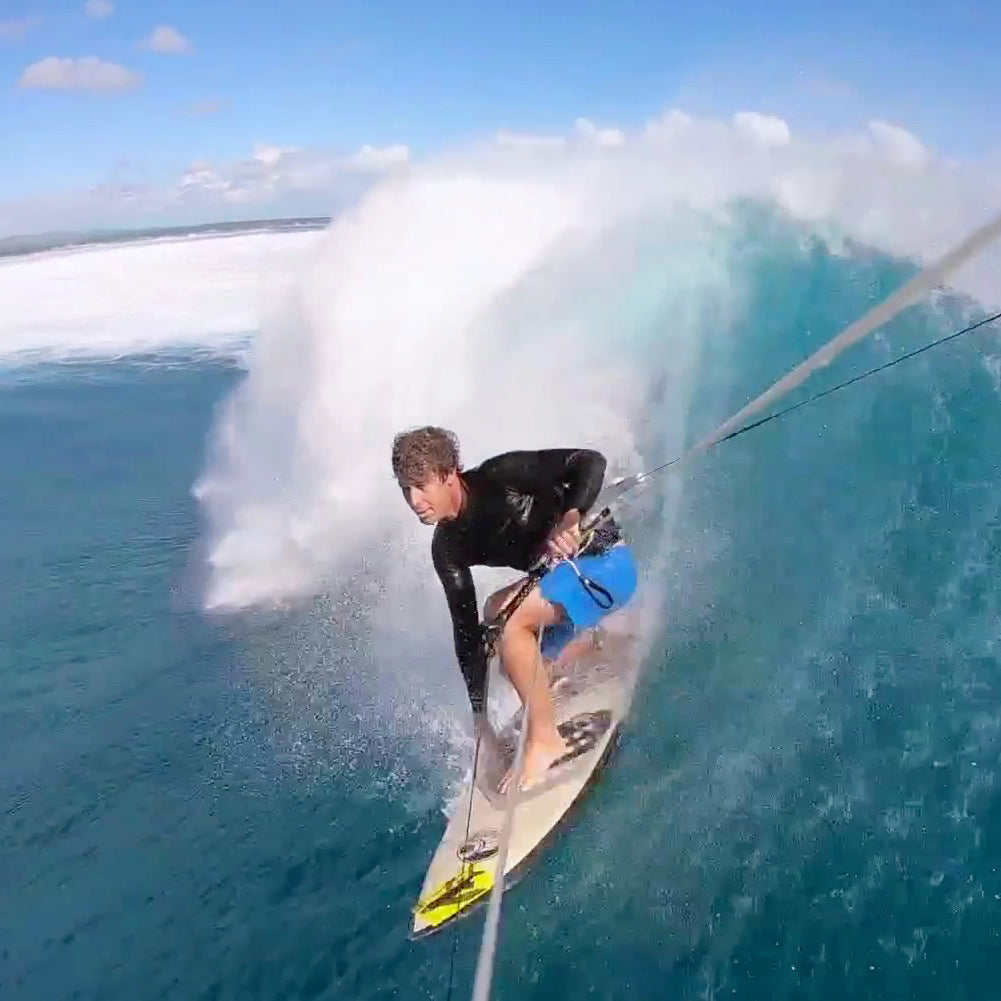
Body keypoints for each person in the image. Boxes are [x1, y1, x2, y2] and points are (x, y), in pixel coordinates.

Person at [391, 425, 638, 793]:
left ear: (448, 476)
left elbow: (589, 462)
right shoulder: (447, 548)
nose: (413, 500)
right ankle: (595, 649)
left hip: (606, 568)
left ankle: (546, 740)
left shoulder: (501, 476)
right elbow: (466, 632)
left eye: (421, 486)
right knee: (505, 648)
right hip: (566, 588)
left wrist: (571, 517)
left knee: (508, 625)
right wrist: (481, 720)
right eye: (405, 489)